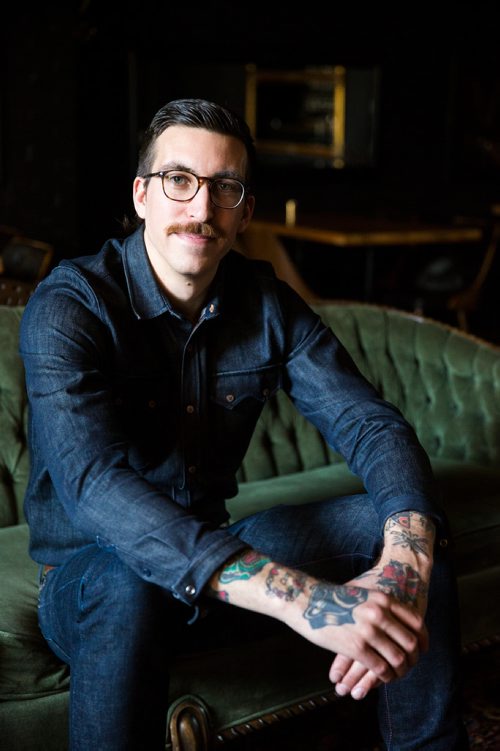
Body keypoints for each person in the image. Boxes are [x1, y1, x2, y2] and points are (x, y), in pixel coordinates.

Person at [19, 98, 468, 750]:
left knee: (409, 528)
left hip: (223, 565)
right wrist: (306, 601)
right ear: (142, 195)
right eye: (179, 181)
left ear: (245, 211)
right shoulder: (70, 306)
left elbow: (371, 426)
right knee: (126, 582)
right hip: (91, 585)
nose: (201, 209)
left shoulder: (265, 303)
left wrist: (402, 564)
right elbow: (95, 486)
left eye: (224, 188)